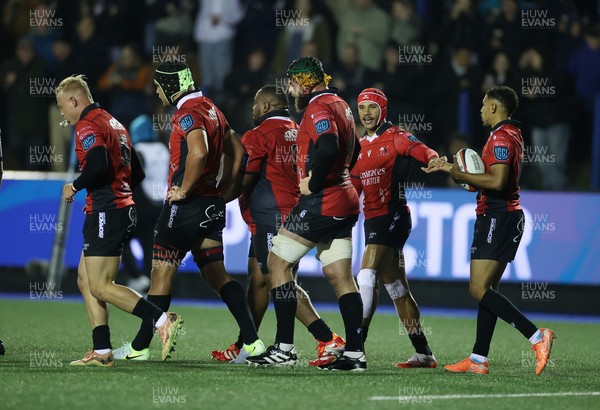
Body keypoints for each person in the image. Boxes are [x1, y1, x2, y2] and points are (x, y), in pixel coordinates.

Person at [112, 61, 265, 363]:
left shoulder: (186, 113)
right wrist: (225, 191)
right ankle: (253, 343)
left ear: (171, 86)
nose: (156, 91)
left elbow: (199, 150)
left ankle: (140, 347)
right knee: (217, 275)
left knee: (160, 277)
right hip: (210, 205)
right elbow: (239, 153)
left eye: (158, 85)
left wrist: (183, 189)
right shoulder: (212, 108)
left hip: (183, 207)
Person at [424, 85, 556, 375]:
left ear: (495, 107)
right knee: (488, 291)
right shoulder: (512, 133)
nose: (481, 110)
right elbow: (482, 177)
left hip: (498, 215)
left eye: (484, 105)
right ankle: (478, 359)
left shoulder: (500, 137)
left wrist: (458, 174)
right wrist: (449, 167)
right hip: (502, 216)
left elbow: (496, 182)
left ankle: (536, 336)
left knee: (478, 288)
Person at [212, 85, 345, 366]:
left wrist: (214, 200)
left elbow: (243, 180)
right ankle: (247, 343)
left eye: (254, 106)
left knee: (277, 279)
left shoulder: (258, 135)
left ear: (264, 106)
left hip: (270, 216)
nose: (252, 111)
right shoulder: (300, 128)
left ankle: (326, 338)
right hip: (291, 211)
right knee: (259, 279)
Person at [247, 57, 365, 371]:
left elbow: (327, 146)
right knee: (341, 277)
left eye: (291, 82)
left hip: (322, 203)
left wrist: (314, 181)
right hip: (345, 201)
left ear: (304, 81)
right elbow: (357, 151)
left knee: (276, 264)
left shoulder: (318, 107)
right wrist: (340, 175)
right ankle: (355, 354)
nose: (290, 89)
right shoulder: (342, 104)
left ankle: (284, 348)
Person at [57, 75, 182, 366]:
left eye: (62, 106)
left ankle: (162, 319)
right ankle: (102, 352)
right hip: (121, 208)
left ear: (75, 101)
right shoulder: (114, 123)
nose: (62, 113)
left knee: (100, 285)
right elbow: (135, 172)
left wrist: (74, 186)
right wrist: (120, 189)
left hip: (106, 211)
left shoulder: (87, 126)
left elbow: (98, 164)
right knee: (86, 279)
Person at [351, 88, 439, 368]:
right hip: (373, 221)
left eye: (372, 107)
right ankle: (424, 353)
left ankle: (355, 347)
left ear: (383, 111)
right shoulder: (359, 147)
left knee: (366, 275)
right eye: (362, 107)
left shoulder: (397, 136)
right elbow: (352, 190)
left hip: (394, 215)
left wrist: (433, 159)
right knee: (398, 289)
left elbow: (422, 150)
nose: (366, 112)